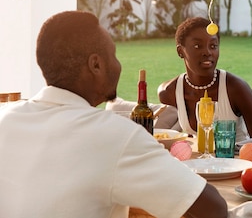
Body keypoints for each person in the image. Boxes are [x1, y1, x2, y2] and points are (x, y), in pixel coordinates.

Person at [0, 11, 227, 218]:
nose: (118, 65)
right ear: (96, 65)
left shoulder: (5, 118)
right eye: (114, 55)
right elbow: (213, 208)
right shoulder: (114, 135)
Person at [158, 17, 252, 143]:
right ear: (180, 51)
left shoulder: (235, 88)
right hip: (197, 161)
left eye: (213, 46)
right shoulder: (169, 92)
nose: (207, 52)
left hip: (237, 160)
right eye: (198, 46)